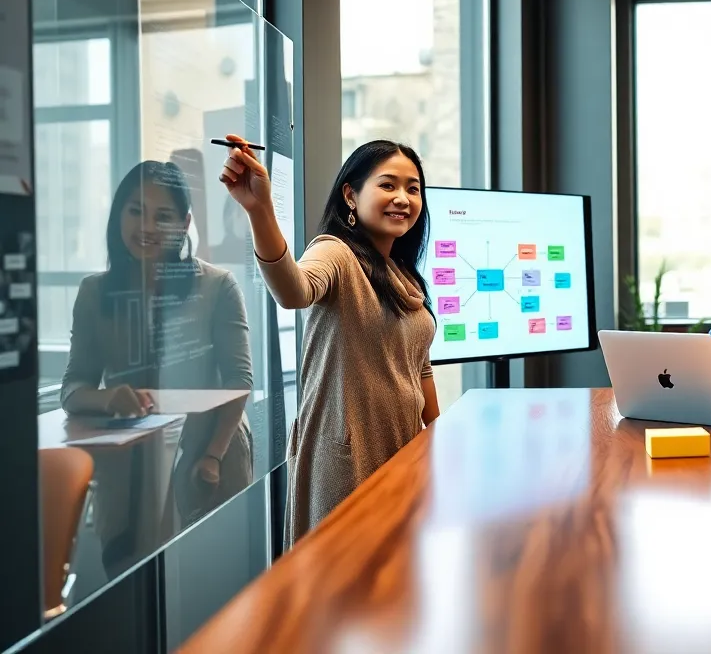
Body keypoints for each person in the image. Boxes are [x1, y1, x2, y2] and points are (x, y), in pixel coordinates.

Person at [218, 135, 439, 547]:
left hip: (402, 451)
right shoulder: (336, 253)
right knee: (343, 596)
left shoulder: (404, 274)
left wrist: (436, 437)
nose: (403, 198)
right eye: (388, 185)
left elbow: (418, 363)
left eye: (413, 188)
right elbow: (293, 290)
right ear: (351, 196)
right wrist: (259, 208)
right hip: (347, 461)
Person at [62, 161, 253, 570]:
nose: (146, 226)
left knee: (212, 591)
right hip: (129, 467)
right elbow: (72, 389)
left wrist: (213, 457)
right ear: (118, 215)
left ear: (184, 224)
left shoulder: (218, 286)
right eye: (135, 210)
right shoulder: (95, 292)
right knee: (134, 594)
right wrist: (107, 398)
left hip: (209, 454)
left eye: (162, 215)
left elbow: (240, 382)